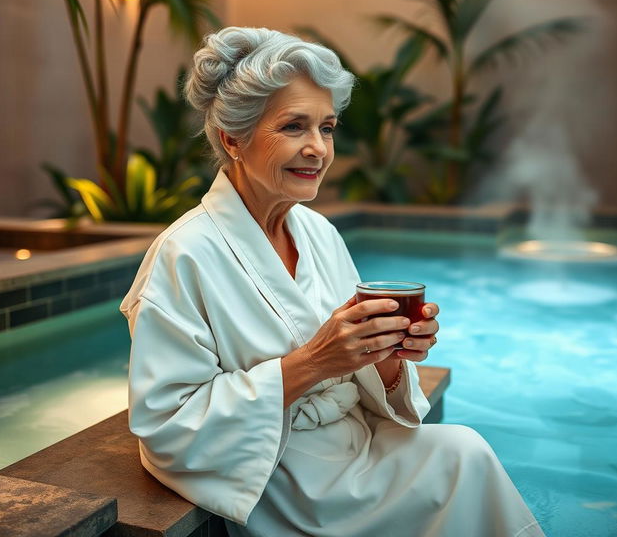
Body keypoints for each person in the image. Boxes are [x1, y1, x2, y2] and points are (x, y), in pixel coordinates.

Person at [120, 27, 544, 537]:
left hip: (355, 443)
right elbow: (165, 426)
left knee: (465, 450)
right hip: (278, 472)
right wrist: (313, 362)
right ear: (234, 138)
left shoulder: (316, 230)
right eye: (295, 127)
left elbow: (357, 367)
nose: (318, 149)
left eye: (328, 127)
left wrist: (388, 354)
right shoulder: (184, 254)